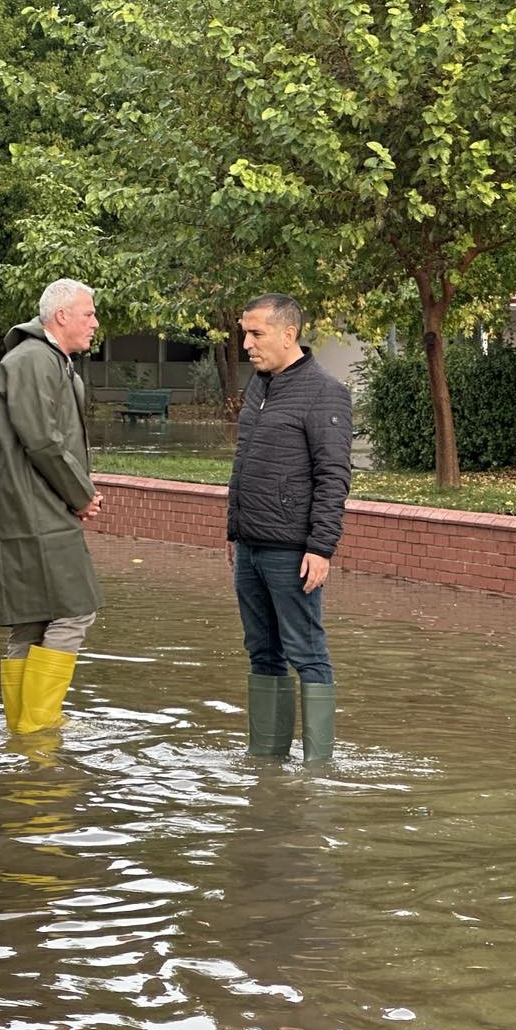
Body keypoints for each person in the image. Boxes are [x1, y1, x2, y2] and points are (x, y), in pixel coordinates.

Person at [226, 293, 352, 764]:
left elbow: (333, 476)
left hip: (293, 552)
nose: (247, 343)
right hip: (251, 546)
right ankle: (266, 762)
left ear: (288, 334)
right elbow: (245, 465)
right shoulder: (258, 386)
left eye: (256, 333)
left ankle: (318, 768)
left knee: (307, 654)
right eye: (245, 332)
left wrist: (321, 548)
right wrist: (233, 533)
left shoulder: (325, 392)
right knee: (262, 653)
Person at [0, 278, 105, 735]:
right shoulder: (36, 359)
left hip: (29, 506)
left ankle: (23, 730)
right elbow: (43, 440)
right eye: (88, 313)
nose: (95, 322)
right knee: (74, 610)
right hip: (39, 509)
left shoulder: (42, 358)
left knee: (32, 619)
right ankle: (39, 726)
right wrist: (82, 495)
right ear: (61, 317)